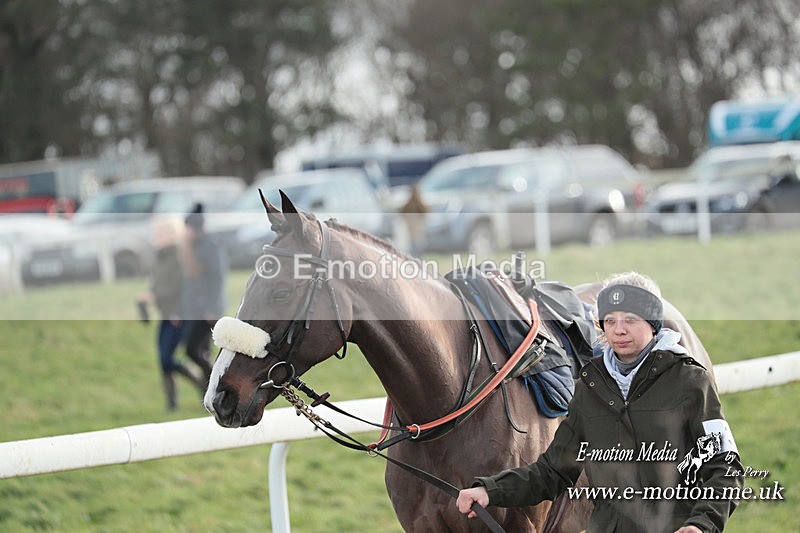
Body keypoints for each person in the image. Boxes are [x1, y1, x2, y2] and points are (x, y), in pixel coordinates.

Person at [456, 272, 744, 532]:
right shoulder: (589, 388)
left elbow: (725, 468)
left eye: (630, 319)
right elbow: (552, 472)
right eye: (610, 320)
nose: (619, 330)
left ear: (653, 323)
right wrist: (490, 491)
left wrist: (701, 525)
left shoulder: (690, 381)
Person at [137, 215, 206, 410]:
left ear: (173, 234)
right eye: (156, 233)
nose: (157, 237)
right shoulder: (159, 256)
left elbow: (182, 287)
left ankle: (201, 383)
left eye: (162, 233)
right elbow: (157, 283)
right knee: (163, 360)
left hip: (178, 315)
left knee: (168, 358)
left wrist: (172, 308)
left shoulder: (179, 255)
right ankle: (172, 403)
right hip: (166, 314)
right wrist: (149, 294)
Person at [173, 203, 227, 387]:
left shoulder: (211, 246)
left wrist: (212, 309)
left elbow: (217, 279)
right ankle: (209, 389)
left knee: (192, 349)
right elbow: (186, 283)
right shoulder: (190, 247)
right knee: (202, 350)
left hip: (207, 310)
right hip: (193, 309)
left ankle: (217, 380)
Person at [400, 184, 429, 256]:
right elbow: (402, 213)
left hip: (417, 224)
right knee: (412, 240)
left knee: (419, 239)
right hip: (411, 224)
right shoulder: (409, 204)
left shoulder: (419, 203)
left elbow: (425, 212)